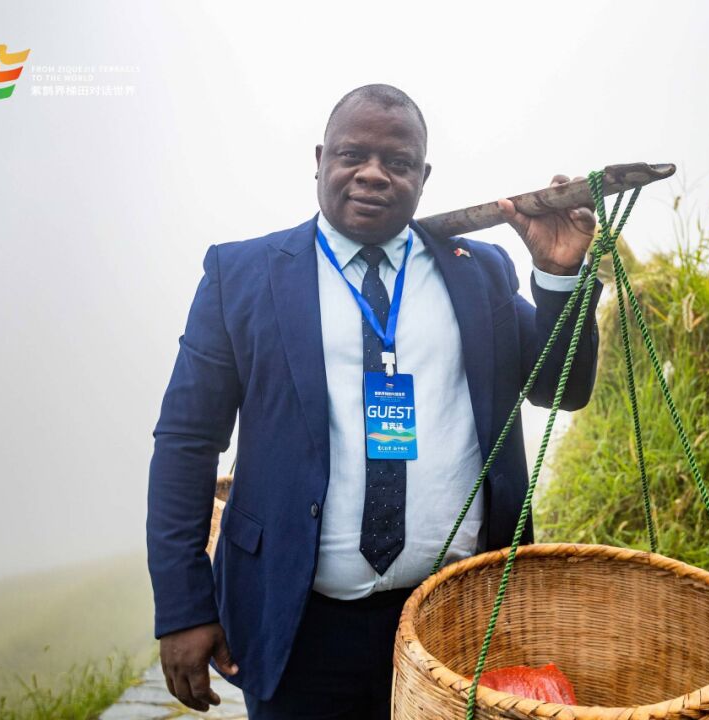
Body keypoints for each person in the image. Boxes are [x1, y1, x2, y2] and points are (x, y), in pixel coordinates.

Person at [147, 84, 602, 720]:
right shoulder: (243, 276)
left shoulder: (478, 271)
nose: (372, 174)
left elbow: (562, 388)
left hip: (460, 623)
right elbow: (186, 443)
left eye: (397, 162)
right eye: (352, 155)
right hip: (297, 625)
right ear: (319, 158)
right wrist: (184, 605)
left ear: (424, 175)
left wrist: (559, 276)